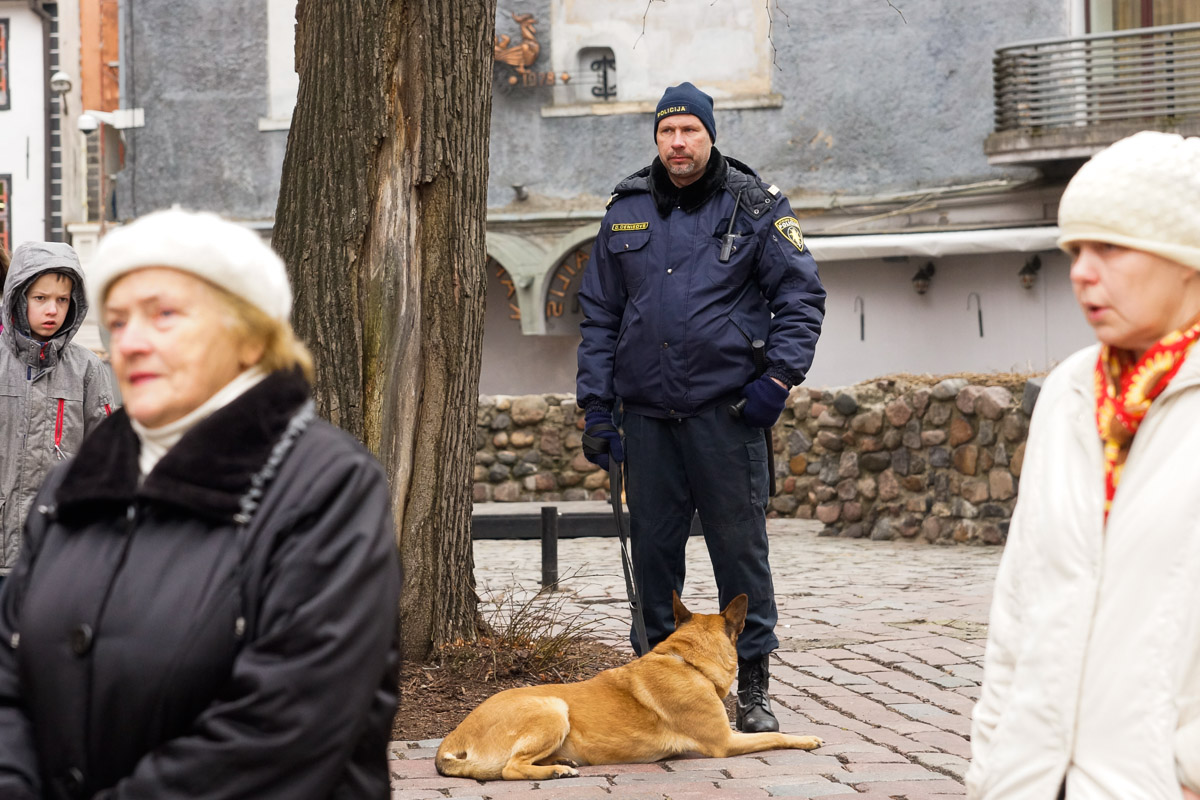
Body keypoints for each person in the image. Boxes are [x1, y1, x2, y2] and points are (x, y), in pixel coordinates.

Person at [0, 208, 402, 799]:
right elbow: (10, 673)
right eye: (118, 318)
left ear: (246, 335)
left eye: (163, 315)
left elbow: (285, 729)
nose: (131, 341)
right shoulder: (76, 487)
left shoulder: (327, 487)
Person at [576, 82, 826, 734]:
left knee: (740, 556)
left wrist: (777, 382)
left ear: (709, 134)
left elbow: (801, 298)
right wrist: (596, 409)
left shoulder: (754, 206)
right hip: (648, 419)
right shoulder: (625, 210)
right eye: (667, 132)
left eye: (689, 130)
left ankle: (753, 685)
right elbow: (600, 316)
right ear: (655, 139)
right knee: (655, 555)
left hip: (727, 415)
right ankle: (659, 685)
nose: (678, 142)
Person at [967, 131, 1200, 800]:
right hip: (1036, 781)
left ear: (1184, 255)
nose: (1081, 272)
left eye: (1110, 247)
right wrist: (991, 769)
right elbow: (1019, 604)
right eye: (1074, 249)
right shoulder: (1070, 393)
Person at [0, 242, 115, 590]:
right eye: (40, 298)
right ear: (19, 297)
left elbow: (108, 455)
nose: (52, 309)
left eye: (62, 300)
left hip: (58, 545)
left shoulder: (87, 370)